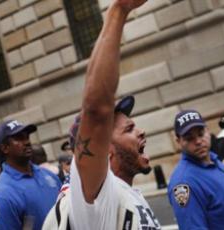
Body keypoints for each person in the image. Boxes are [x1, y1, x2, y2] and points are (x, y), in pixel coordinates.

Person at [43, 1, 161, 229]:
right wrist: (119, 11)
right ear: (102, 149)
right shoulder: (96, 198)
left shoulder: (128, 194)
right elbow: (97, 110)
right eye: (128, 129)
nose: (141, 131)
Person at [168, 110, 224, 230]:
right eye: (189, 138)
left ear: (208, 131)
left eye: (201, 134)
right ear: (179, 142)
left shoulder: (214, 160)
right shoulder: (183, 182)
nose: (198, 141)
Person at [0, 120, 61, 230]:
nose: (27, 142)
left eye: (27, 137)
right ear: (5, 148)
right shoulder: (0, 193)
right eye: (19, 138)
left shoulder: (48, 175)